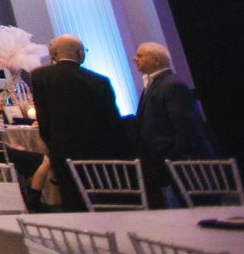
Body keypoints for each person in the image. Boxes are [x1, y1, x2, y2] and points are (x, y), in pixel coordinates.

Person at [30, 34, 131, 213]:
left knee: (71, 200)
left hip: (62, 146)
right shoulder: (99, 81)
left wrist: (52, 144)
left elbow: (43, 118)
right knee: (102, 198)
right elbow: (112, 121)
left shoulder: (40, 76)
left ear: (53, 54)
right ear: (79, 53)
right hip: (97, 150)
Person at [133, 41, 213, 205]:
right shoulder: (156, 84)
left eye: (140, 55)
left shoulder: (172, 85)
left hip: (183, 165)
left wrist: (174, 156)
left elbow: (186, 126)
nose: (135, 59)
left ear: (156, 60)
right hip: (168, 164)